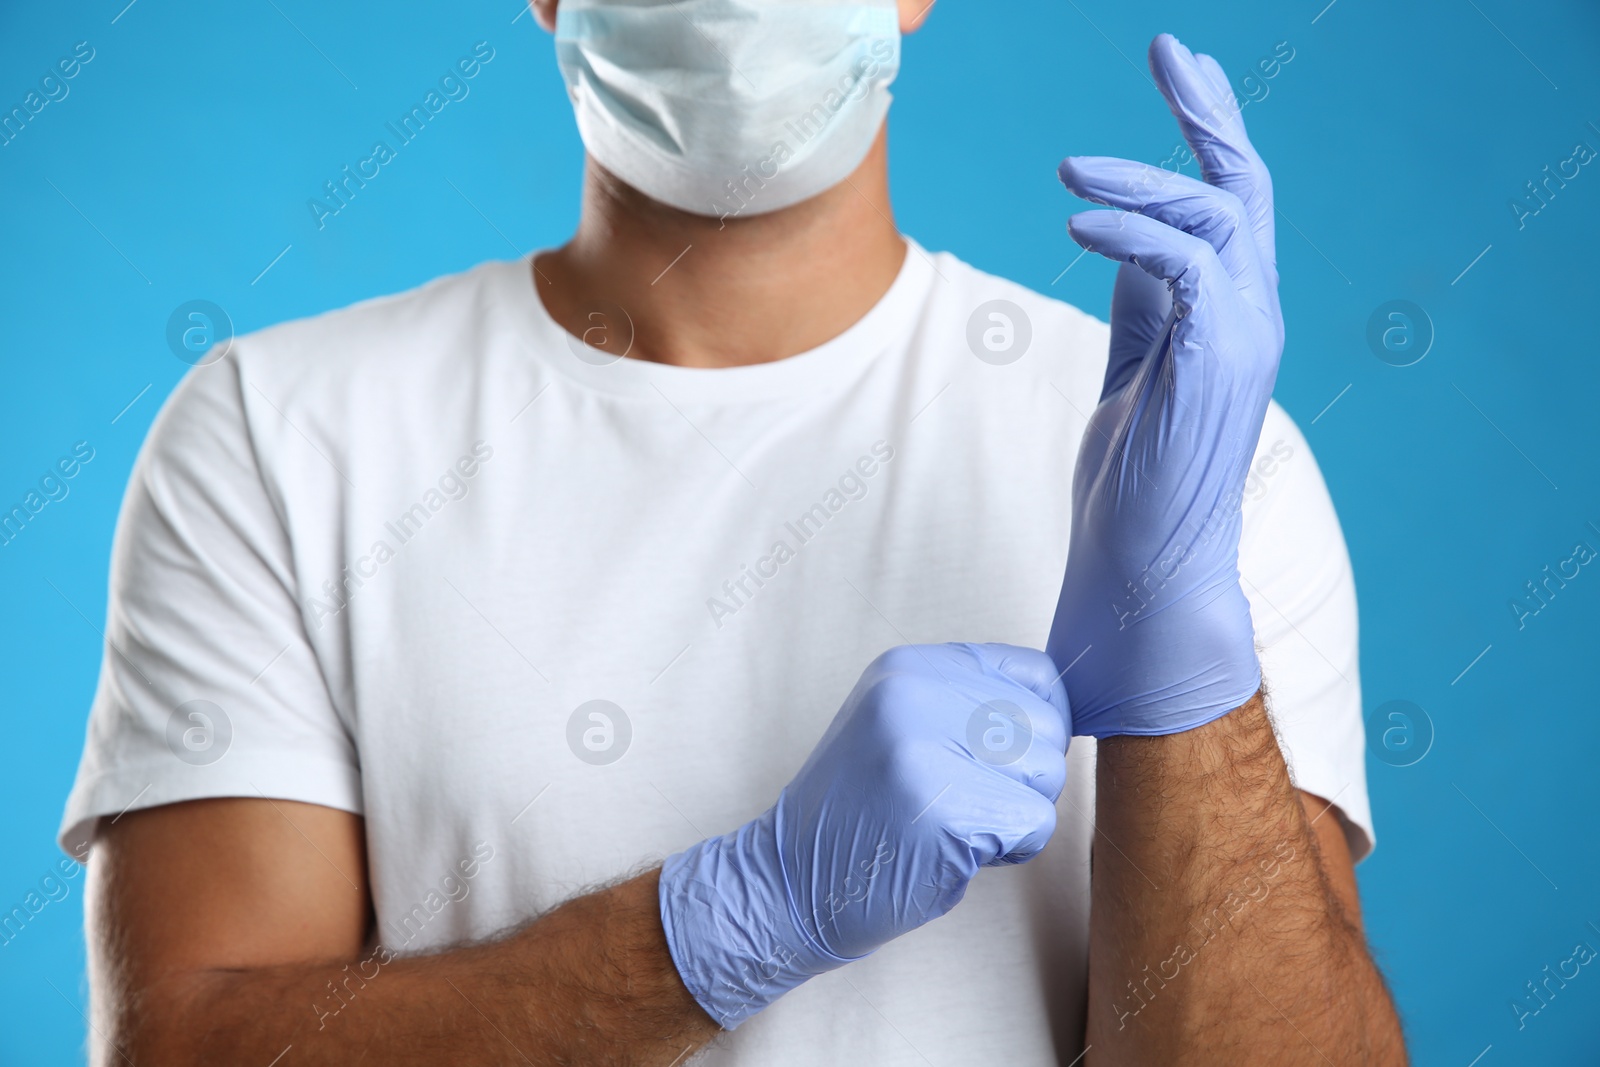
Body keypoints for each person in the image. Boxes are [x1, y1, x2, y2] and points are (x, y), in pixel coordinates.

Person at [61, 1, 1406, 1063]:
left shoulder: (1186, 448)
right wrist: (727, 921)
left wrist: (1187, 677)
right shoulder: (282, 433)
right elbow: (187, 1050)